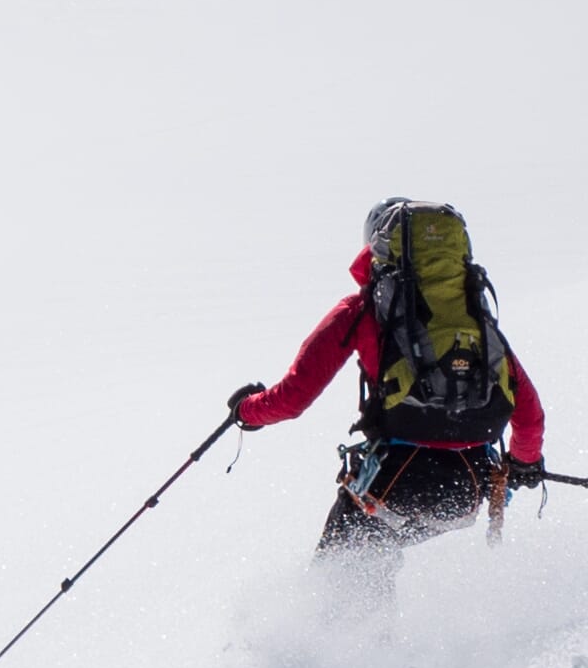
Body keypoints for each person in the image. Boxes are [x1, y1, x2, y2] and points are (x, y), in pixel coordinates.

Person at [230, 199, 546, 582]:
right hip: (467, 489)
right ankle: (393, 635)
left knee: (345, 566)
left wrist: (247, 410)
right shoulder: (475, 321)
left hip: (395, 481)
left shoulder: (363, 310)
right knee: (378, 552)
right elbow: (528, 414)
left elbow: (293, 398)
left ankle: (324, 637)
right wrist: (524, 464)